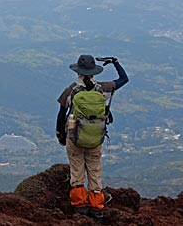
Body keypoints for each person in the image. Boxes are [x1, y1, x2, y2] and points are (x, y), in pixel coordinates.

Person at [55, 54, 129, 219]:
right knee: (95, 170)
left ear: (78, 72)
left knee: (77, 169)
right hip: (96, 138)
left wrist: (60, 133)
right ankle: (97, 207)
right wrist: (116, 63)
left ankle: (80, 206)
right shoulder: (103, 88)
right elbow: (124, 79)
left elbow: (61, 115)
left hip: (74, 136)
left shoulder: (72, 90)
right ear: (94, 72)